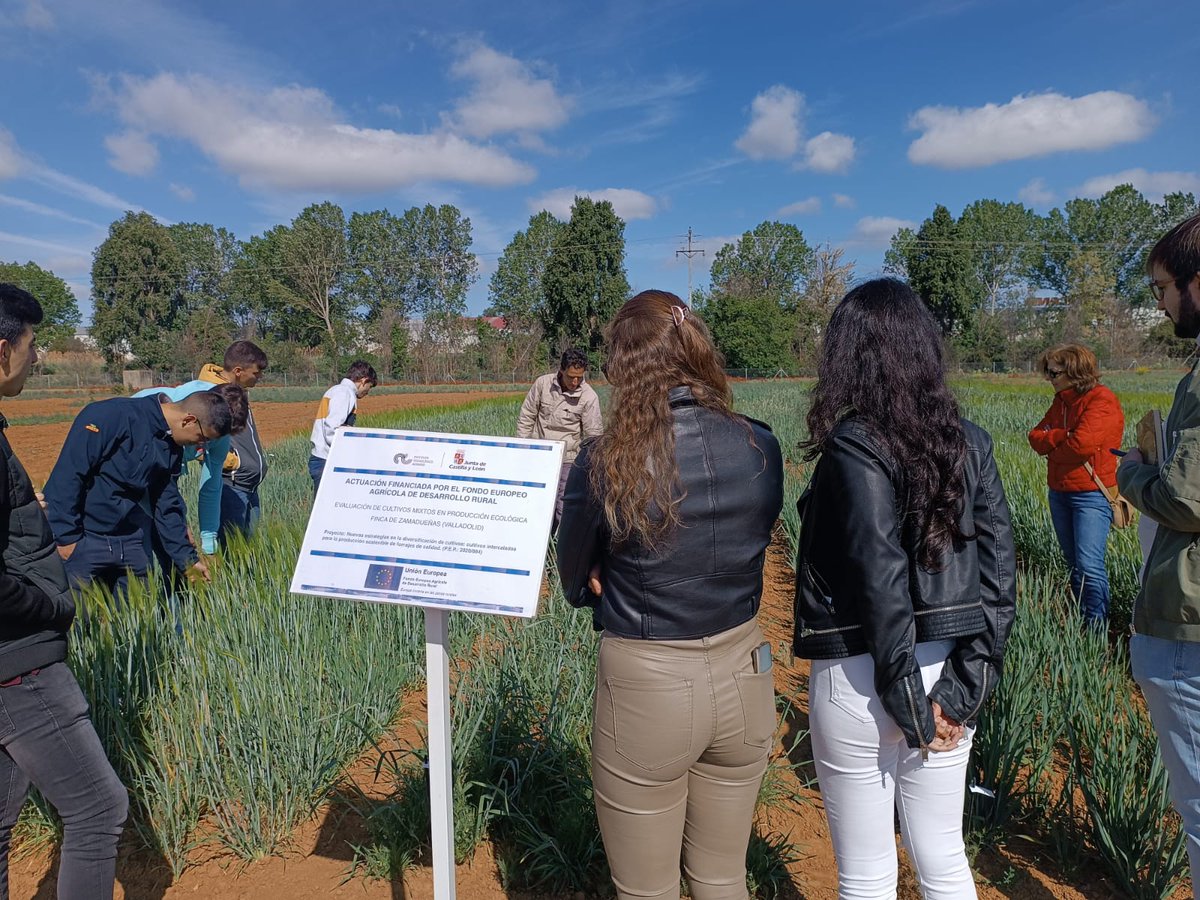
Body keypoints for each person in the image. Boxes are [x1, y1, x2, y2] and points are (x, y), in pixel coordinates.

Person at [792, 278, 1016, 898]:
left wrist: (907, 697)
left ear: (849, 355)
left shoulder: (855, 445)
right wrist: (965, 686)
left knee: (867, 874)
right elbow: (999, 574)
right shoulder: (970, 441)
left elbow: (880, 576)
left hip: (863, 676)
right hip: (944, 669)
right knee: (943, 855)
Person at [557, 290, 783, 900]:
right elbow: (755, 536)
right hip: (747, 673)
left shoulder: (606, 461)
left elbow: (573, 579)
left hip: (647, 685)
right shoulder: (760, 444)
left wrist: (602, 574)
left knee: (646, 890)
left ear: (625, 366)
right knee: (722, 877)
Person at [0, 284, 128, 899]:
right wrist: (48, 606)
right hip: (16, 663)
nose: (37, 358)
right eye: (32, 345)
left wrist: (21, 513)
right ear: (2, 350)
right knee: (98, 808)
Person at [1117, 212, 1200, 889]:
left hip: (1189, 622)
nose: (1163, 303)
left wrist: (1132, 474)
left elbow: (1185, 499)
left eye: (1163, 287)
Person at [44, 390, 233, 593]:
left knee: (137, 612)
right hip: (85, 540)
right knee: (78, 612)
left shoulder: (172, 446)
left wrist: (187, 560)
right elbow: (68, 476)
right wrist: (66, 539)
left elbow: (166, 503)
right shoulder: (109, 416)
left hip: (131, 543)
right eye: (202, 438)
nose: (200, 446)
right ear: (188, 420)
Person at [1028, 343, 1124, 626]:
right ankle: (1081, 623)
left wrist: (1054, 446)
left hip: (1091, 495)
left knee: (1089, 565)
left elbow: (1081, 446)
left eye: (1054, 373)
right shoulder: (1061, 401)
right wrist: (1062, 436)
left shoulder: (1101, 400)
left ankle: (1095, 629)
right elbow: (1035, 438)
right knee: (1073, 564)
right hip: (1059, 492)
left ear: (1076, 372)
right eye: (1047, 372)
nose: (1049, 378)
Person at [132, 377, 249, 556]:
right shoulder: (164, 416)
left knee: (175, 549)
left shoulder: (218, 432)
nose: (211, 442)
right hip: (131, 473)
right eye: (207, 437)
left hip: (162, 476)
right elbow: (143, 482)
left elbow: (211, 485)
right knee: (139, 546)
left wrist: (209, 540)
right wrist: (176, 524)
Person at [194, 341, 269, 544]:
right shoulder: (214, 396)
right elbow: (198, 442)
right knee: (231, 550)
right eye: (256, 373)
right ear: (238, 371)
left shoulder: (236, 392)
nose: (259, 377)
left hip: (250, 486)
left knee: (247, 549)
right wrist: (233, 463)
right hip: (232, 486)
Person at [516, 348, 602, 525]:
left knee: (564, 505)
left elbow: (593, 435)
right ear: (561, 370)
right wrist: (522, 449)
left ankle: (560, 539)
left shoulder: (589, 397)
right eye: (571, 377)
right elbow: (527, 416)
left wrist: (592, 466)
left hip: (568, 459)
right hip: (539, 454)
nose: (575, 381)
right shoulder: (543, 384)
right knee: (536, 501)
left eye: (579, 377)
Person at [309, 360, 377, 493]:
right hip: (326, 460)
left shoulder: (336, 390)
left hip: (323, 459)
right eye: (369, 387)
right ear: (364, 381)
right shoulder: (344, 393)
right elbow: (332, 429)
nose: (368, 392)